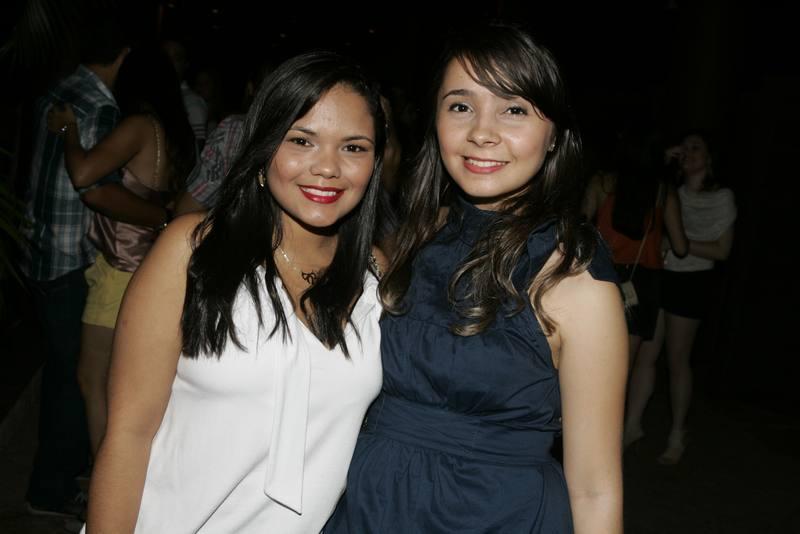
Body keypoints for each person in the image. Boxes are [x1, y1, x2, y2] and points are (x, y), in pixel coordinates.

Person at [327, 25, 627, 533]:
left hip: (494, 516)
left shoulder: (573, 278)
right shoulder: (414, 239)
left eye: (514, 110)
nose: (481, 132)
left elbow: (595, 488)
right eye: (461, 106)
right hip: (369, 506)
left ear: (555, 134)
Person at [82, 51, 387, 533]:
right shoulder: (192, 250)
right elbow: (128, 435)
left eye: (353, 147)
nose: (328, 167)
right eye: (301, 140)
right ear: (264, 148)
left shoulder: (374, 276)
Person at [19, 20, 170, 518]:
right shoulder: (106, 110)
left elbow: (89, 183)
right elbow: (96, 187)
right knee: (83, 381)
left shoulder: (61, 96)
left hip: (64, 255)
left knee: (83, 379)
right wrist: (163, 218)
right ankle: (75, 484)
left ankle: (90, 484)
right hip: (88, 260)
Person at [46, 44, 196, 458]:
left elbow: (84, 173)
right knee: (124, 382)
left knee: (94, 379)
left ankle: (108, 476)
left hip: (121, 270)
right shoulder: (172, 130)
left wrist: (69, 130)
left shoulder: (139, 126)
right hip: (142, 266)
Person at [624, 130, 736, 465]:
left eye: (695, 147)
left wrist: (679, 243)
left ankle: (677, 433)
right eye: (684, 148)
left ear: (710, 158)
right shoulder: (670, 191)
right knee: (646, 354)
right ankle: (632, 426)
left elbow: (722, 250)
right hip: (661, 275)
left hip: (693, 281)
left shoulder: (722, 197)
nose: (688, 152)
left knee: (677, 358)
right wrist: (662, 158)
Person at [583, 130, 688, 365]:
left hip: (601, 274)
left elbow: (580, 227)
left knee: (587, 356)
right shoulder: (663, 191)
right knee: (621, 367)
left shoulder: (601, 182)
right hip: (642, 283)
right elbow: (681, 247)